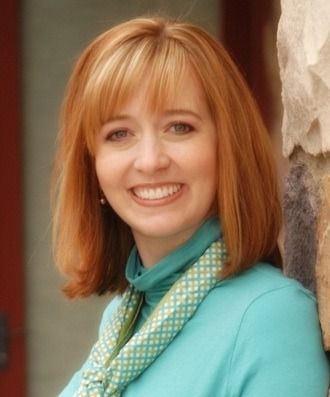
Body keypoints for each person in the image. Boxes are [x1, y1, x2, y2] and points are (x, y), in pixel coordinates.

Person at [52, 16, 330, 397]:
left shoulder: (269, 317)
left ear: (225, 148)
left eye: (179, 127)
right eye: (119, 134)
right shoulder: (120, 323)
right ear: (93, 167)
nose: (150, 161)